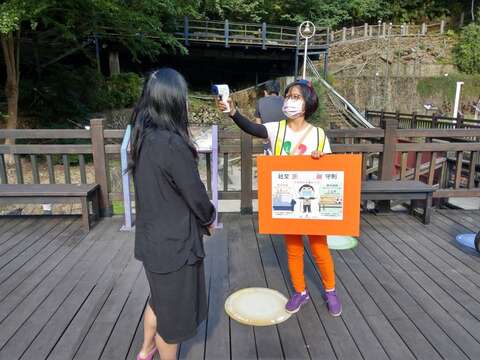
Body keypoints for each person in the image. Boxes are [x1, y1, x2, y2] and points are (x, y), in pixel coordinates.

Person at [217, 79, 342, 316]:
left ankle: (330, 290)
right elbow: (253, 128)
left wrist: (320, 157)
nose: (290, 101)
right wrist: (233, 112)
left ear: (308, 103)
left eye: (296, 97)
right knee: (293, 248)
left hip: (313, 201)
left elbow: (330, 170)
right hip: (286, 200)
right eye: (288, 96)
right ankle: (300, 291)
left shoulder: (318, 134)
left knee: (319, 247)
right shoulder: (276, 128)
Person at [130, 68, 216, 360]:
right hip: (174, 246)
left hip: (152, 241)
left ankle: (145, 351)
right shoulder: (172, 144)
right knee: (173, 320)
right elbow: (196, 195)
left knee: (159, 300)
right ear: (172, 102)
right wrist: (209, 218)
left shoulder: (143, 138)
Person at [254, 80, 284, 154]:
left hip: (268, 142)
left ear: (265, 92)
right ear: (278, 92)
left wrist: (264, 140)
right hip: (284, 141)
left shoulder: (260, 101)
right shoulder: (285, 101)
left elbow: (258, 124)